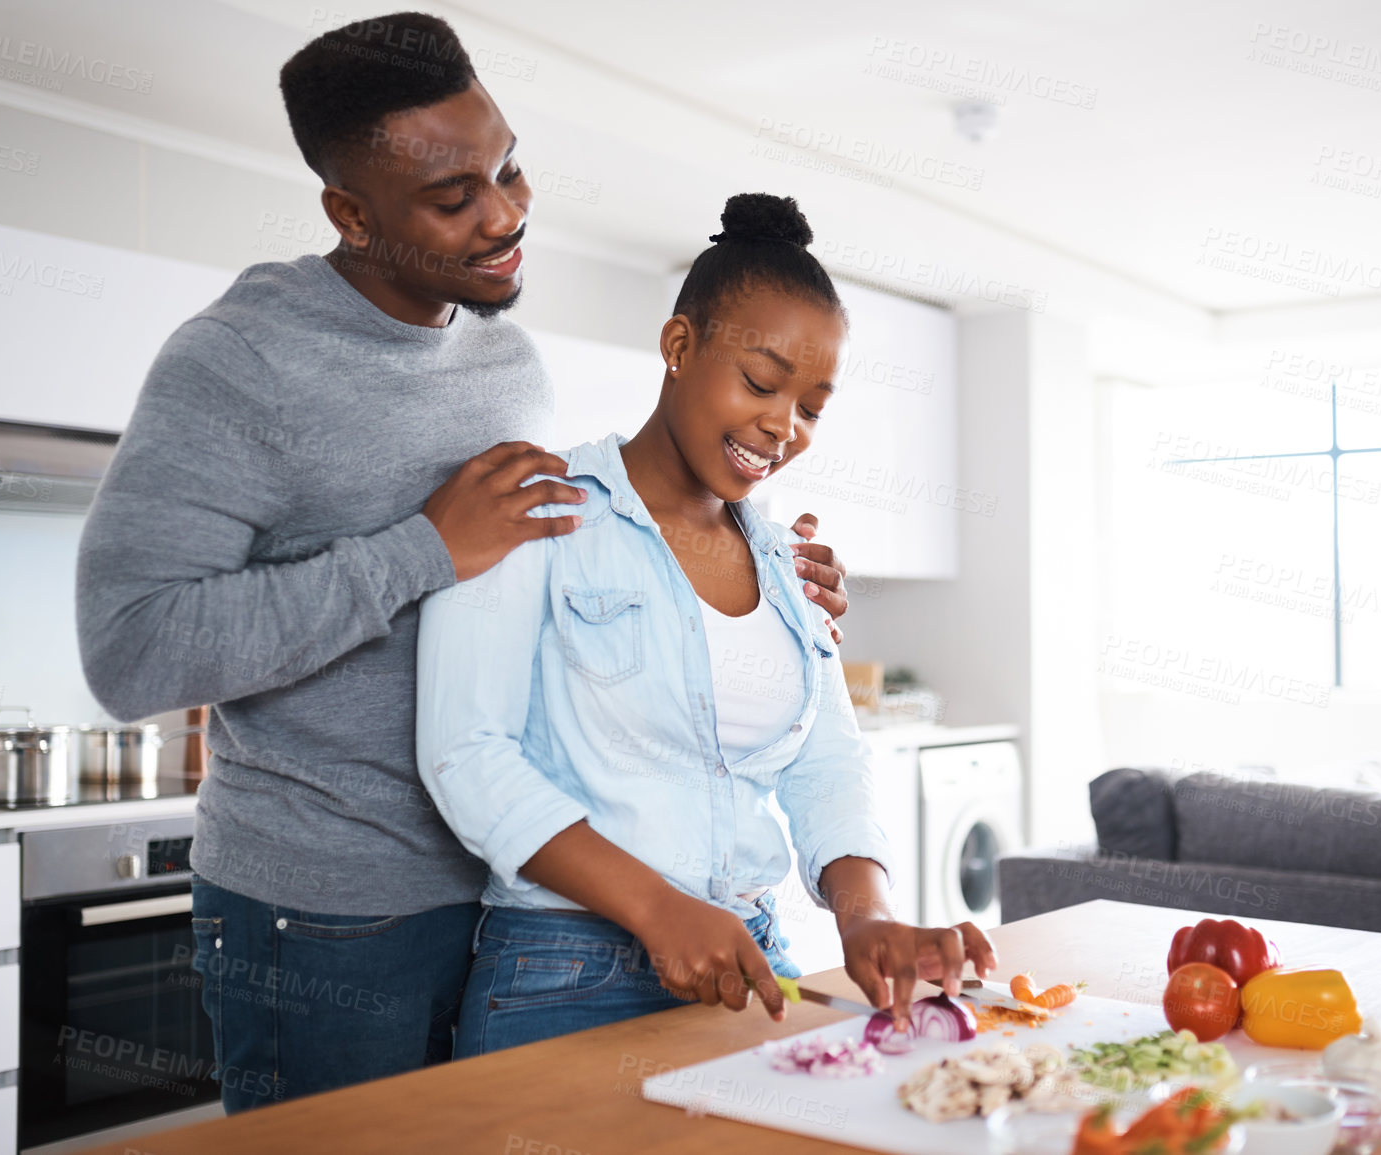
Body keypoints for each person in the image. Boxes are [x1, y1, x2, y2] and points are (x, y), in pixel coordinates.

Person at [75, 15, 850, 1112]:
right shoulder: (239, 362)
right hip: (330, 912)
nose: (505, 215)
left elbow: (557, 588)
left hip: (519, 899)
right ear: (351, 213)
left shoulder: (506, 358)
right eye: (453, 199)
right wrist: (418, 551)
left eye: (511, 167)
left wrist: (764, 597)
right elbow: (130, 650)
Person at [417, 193, 997, 1056]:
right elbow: (466, 753)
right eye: (761, 383)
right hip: (563, 977)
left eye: (811, 406)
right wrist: (657, 909)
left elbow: (826, 758)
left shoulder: (789, 563)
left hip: (749, 964)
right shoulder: (537, 510)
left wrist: (866, 914)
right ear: (679, 346)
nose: (782, 427)